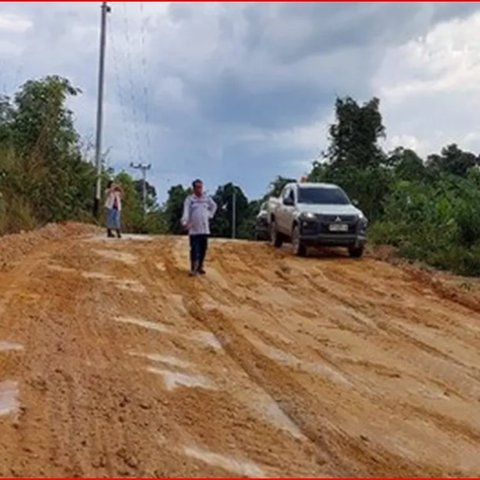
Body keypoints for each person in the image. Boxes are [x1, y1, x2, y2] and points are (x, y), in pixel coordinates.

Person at [181, 179, 217, 276]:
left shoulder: (207, 198)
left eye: (201, 187)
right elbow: (186, 212)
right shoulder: (190, 199)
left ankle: (200, 266)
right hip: (193, 229)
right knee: (194, 249)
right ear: (193, 188)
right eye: (197, 187)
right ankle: (193, 268)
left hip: (204, 229)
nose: (199, 189)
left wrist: (209, 215)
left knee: (203, 249)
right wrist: (184, 222)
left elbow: (214, 206)